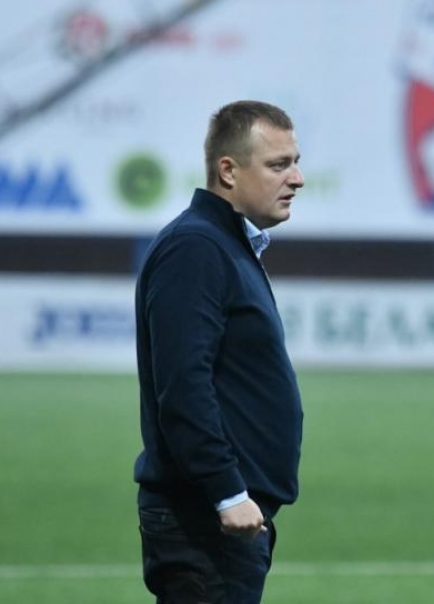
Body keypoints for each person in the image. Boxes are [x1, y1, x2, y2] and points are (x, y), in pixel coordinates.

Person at [133, 100, 305, 603]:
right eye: (279, 165)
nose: (297, 179)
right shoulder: (197, 248)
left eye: (295, 162)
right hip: (207, 518)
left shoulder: (222, 244)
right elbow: (184, 385)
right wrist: (227, 491)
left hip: (223, 515)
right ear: (228, 171)